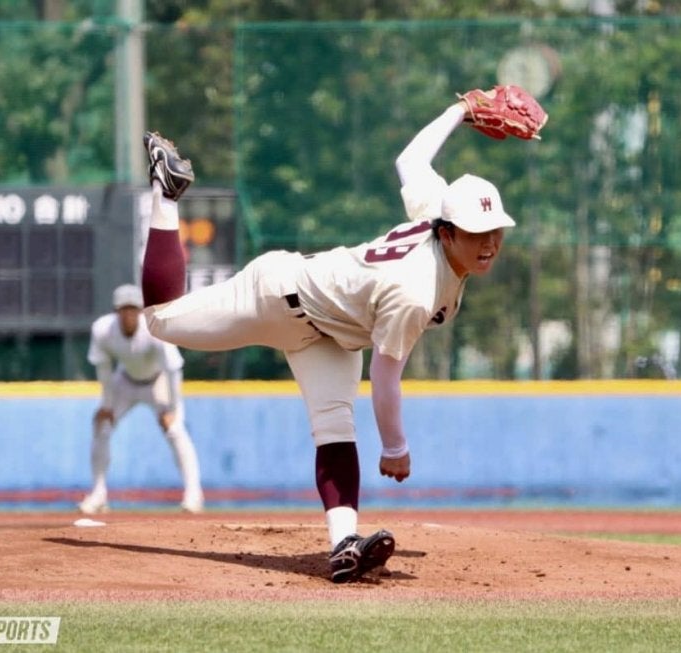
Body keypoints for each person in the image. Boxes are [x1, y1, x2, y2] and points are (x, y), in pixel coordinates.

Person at [140, 95, 514, 583]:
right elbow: (385, 376)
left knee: (335, 428)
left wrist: (460, 110)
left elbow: (410, 161)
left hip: (332, 338)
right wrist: (395, 447)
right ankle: (167, 195)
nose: (489, 242)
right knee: (160, 320)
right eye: (476, 231)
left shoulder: (435, 216)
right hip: (279, 298)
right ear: (446, 234)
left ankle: (343, 545)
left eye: (495, 230)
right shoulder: (414, 290)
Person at [78, 283, 205, 515]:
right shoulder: (103, 329)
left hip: (158, 382)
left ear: (140, 310)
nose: (128, 314)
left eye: (133, 309)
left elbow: (173, 369)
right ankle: (98, 493)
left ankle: (193, 494)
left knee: (175, 430)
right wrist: (107, 404)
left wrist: (175, 411)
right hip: (125, 382)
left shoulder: (155, 328)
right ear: (116, 311)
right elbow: (104, 368)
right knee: (102, 426)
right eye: (123, 309)